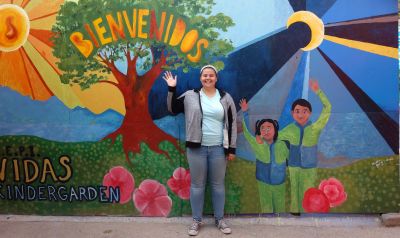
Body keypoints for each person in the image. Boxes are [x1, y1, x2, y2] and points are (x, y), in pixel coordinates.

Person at [164, 65, 237, 236]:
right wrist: (171, 88)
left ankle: (220, 219)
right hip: (197, 148)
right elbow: (172, 108)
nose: (208, 78)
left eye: (211, 75)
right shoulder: (190, 96)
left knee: (218, 186)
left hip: (219, 149)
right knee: (197, 185)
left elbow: (232, 123)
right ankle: (196, 220)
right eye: (205, 75)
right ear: (200, 78)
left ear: (216, 78)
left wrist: (231, 148)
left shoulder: (226, 98)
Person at [279, 79, 331, 213]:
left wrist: (318, 91)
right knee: (294, 190)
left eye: (304, 111)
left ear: (310, 113)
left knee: (308, 191)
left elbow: (328, 108)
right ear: (292, 113)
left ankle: (308, 212)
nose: (301, 114)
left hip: (309, 166)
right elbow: (274, 137)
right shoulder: (289, 129)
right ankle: (295, 212)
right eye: (297, 111)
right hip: (293, 165)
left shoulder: (315, 127)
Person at [239, 98, 288, 213]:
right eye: (263, 128)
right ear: (259, 132)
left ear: (275, 130)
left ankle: (280, 226)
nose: (266, 130)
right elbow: (246, 132)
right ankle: (267, 226)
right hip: (263, 182)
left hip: (279, 182)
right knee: (266, 207)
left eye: (269, 127)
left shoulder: (282, 144)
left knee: (280, 207)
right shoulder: (258, 144)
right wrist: (245, 112)